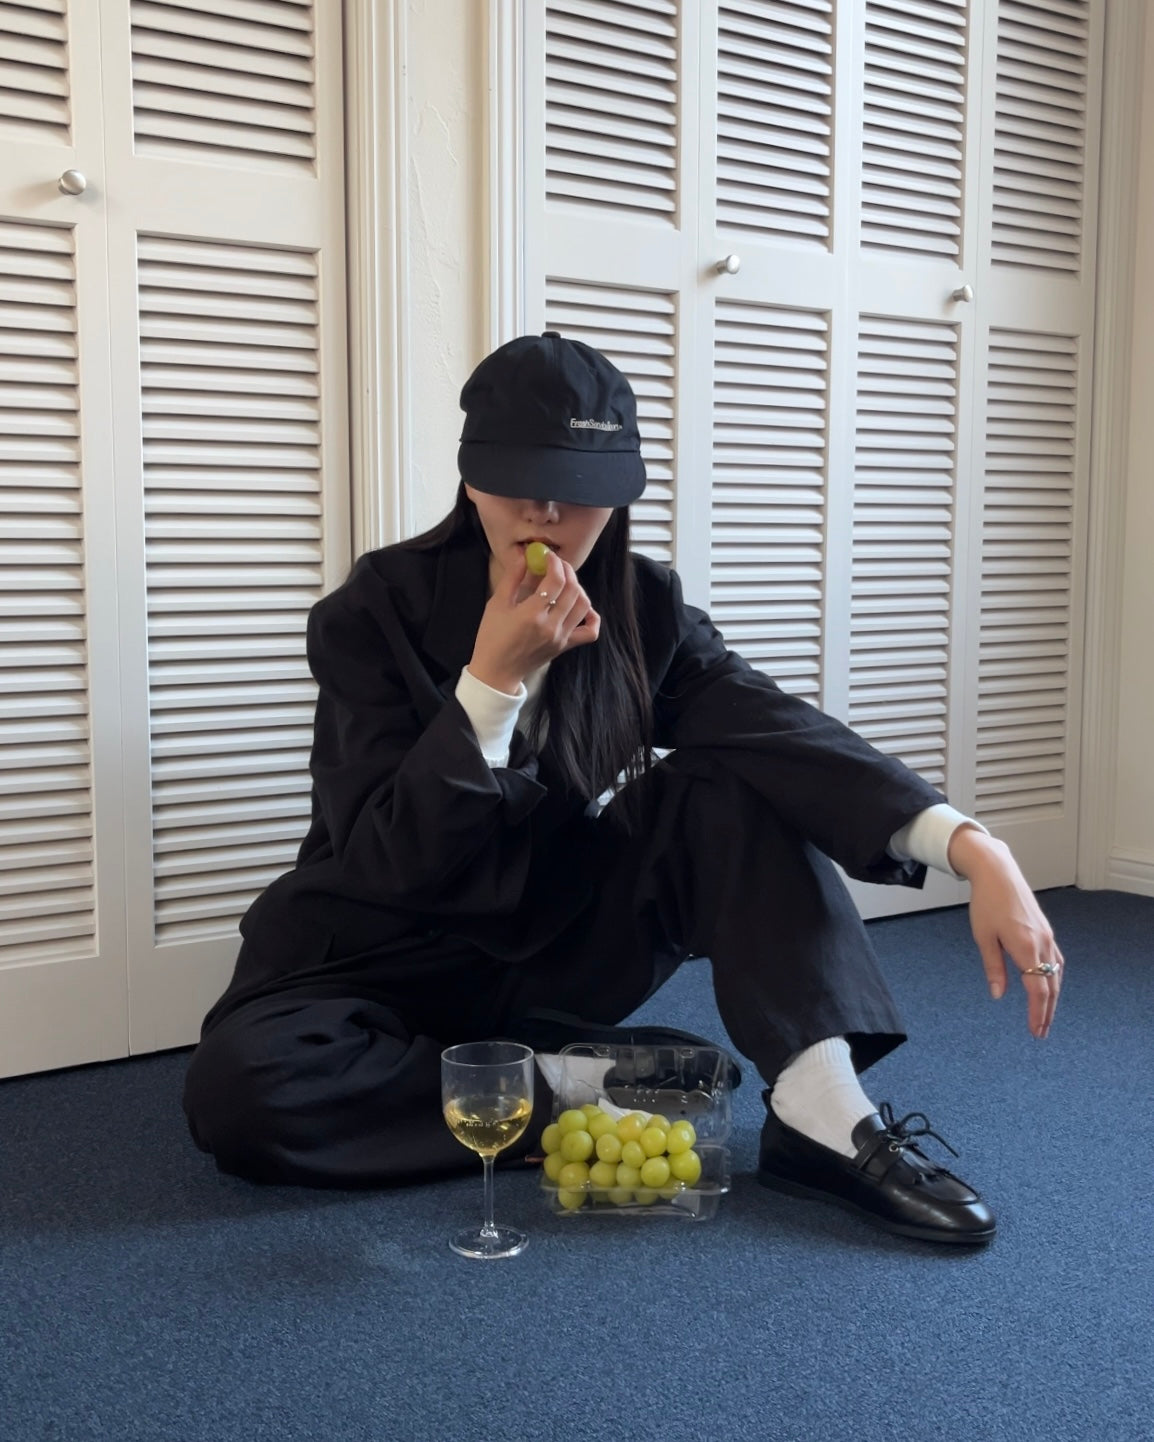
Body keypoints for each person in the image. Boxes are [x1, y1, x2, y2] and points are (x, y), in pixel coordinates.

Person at [183, 332, 1065, 1245]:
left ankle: (824, 1112)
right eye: (519, 480)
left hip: (548, 941)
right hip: (375, 951)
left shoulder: (645, 609)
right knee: (240, 1093)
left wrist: (973, 847)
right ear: (472, 479)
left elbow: (779, 732)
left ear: (618, 494)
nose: (544, 510)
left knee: (730, 782)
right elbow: (384, 859)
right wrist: (491, 683)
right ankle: (578, 1084)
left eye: (574, 486)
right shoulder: (372, 611)